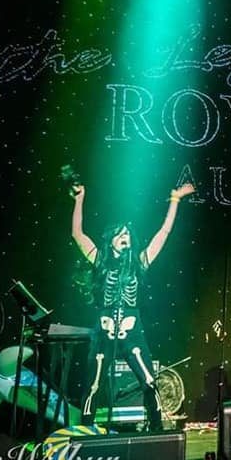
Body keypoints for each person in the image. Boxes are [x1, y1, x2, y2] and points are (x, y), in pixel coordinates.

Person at [71, 181, 195, 430]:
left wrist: (175, 200)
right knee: (93, 385)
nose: (125, 237)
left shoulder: (139, 263)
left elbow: (163, 233)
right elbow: (78, 234)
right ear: (111, 240)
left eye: (127, 234)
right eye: (120, 234)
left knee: (149, 381)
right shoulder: (99, 260)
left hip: (132, 330)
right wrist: (79, 199)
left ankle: (157, 429)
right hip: (104, 330)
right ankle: (86, 432)